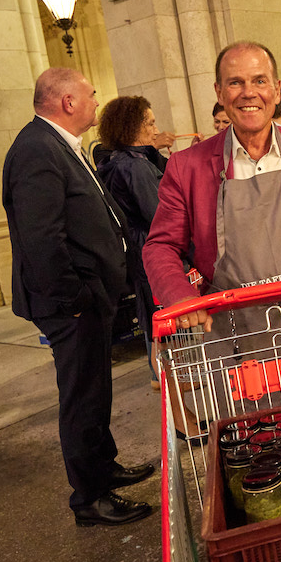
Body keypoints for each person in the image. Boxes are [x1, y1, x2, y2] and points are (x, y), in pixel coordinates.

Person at [2, 68, 155, 528]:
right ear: (67, 102)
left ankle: (103, 466)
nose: (95, 102)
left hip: (92, 296)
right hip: (72, 304)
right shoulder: (36, 151)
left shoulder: (58, 144)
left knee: (96, 389)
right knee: (82, 396)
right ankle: (90, 497)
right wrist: (77, 296)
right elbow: (42, 240)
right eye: (89, 95)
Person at [142, 42, 281, 345]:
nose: (249, 93)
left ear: (275, 88)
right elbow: (161, 246)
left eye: (259, 81)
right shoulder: (187, 166)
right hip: (235, 336)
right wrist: (179, 296)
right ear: (220, 93)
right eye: (236, 83)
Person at [96, 96, 175, 387]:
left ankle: (164, 376)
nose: (156, 130)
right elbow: (158, 214)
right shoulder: (136, 166)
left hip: (138, 249)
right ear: (133, 127)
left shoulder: (117, 160)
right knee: (159, 316)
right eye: (150, 123)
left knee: (153, 315)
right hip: (149, 250)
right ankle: (162, 377)